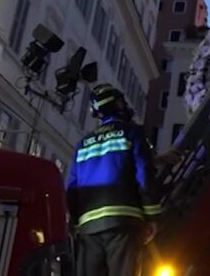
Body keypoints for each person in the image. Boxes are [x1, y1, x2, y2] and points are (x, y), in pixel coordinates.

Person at [66, 83, 162, 276]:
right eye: (122, 101)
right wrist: (152, 217)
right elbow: (144, 175)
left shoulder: (82, 145)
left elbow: (70, 188)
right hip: (123, 224)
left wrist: (76, 223)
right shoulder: (132, 133)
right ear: (117, 104)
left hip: (88, 230)